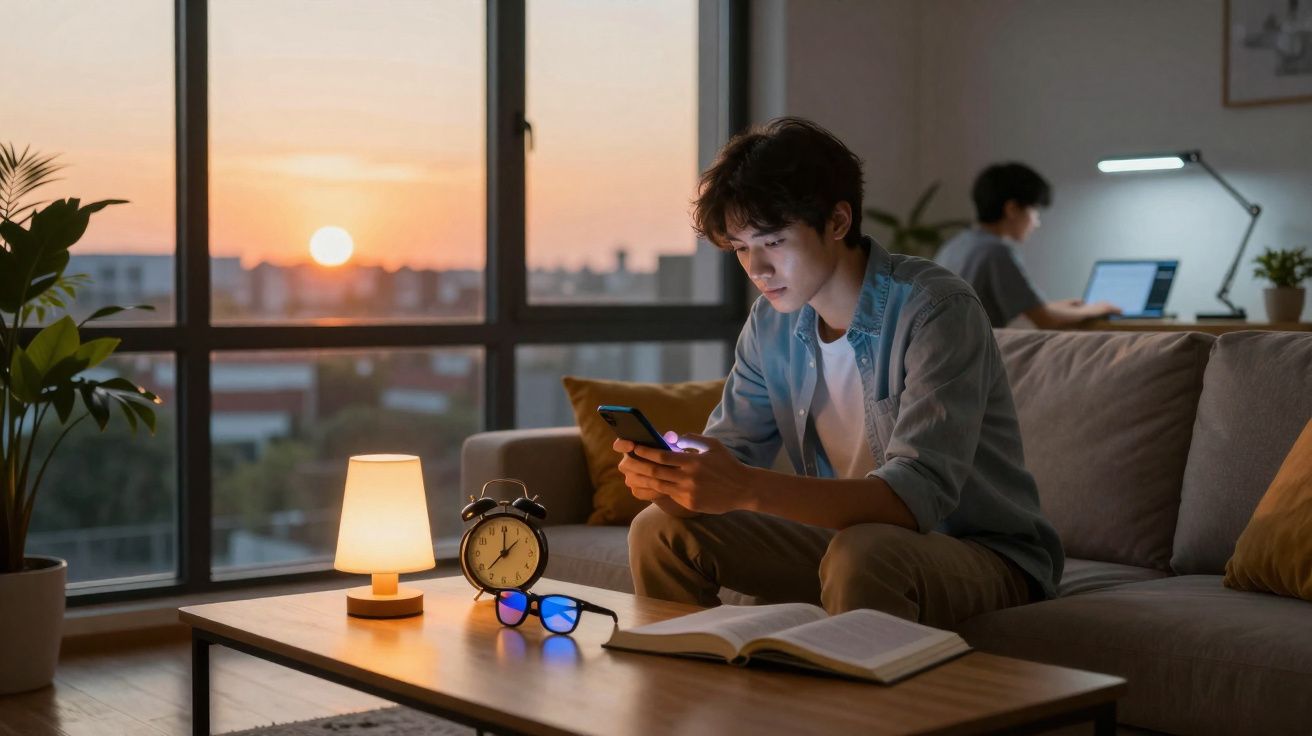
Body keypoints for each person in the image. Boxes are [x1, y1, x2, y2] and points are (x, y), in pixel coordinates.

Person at [616, 118, 1062, 629]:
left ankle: (860, 711)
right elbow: (731, 456)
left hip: (981, 554)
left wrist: (742, 488)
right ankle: (692, 697)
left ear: (837, 222)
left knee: (865, 553)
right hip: (846, 543)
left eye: (774, 241)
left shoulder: (936, 308)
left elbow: (915, 497)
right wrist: (673, 482)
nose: (756, 268)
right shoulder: (771, 324)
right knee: (658, 530)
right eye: (741, 247)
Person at [936, 162, 1120, 328]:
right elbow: (1045, 319)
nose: (1036, 222)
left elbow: (1030, 309)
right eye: (1034, 211)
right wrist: (1094, 310)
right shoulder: (995, 251)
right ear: (1012, 209)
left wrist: (1055, 307)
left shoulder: (957, 245)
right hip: (969, 356)